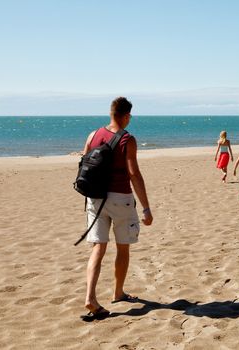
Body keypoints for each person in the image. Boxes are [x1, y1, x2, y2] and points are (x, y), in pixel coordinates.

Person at [81, 97, 153, 319]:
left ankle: (90, 298)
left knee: (98, 248)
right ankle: (118, 292)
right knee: (123, 248)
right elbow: (133, 173)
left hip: (95, 198)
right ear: (126, 116)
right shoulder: (127, 139)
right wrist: (146, 207)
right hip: (120, 198)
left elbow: (84, 165)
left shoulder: (92, 135)